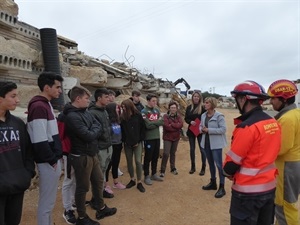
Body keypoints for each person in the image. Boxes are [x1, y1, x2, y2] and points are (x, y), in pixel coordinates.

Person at [223, 80, 281, 225]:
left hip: (246, 193)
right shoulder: (273, 123)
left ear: (243, 99)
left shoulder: (247, 127)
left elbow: (231, 166)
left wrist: (226, 172)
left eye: (237, 99)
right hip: (269, 188)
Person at [64, 86, 117, 225]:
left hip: (91, 153)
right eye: (87, 98)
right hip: (81, 156)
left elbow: (96, 126)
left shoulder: (85, 112)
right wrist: (94, 131)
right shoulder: (72, 116)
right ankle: (82, 217)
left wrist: (93, 130)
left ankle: (100, 207)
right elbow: (88, 135)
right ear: (78, 98)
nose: (89, 101)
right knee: (83, 187)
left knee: (99, 181)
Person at [27, 71, 64, 225]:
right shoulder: (39, 107)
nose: (60, 90)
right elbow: (40, 140)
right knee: (47, 202)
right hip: (48, 161)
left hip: (51, 159)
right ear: (47, 88)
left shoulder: (45, 104)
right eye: (57, 87)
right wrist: (52, 160)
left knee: (49, 201)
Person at [0, 81, 35, 225]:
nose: (18, 100)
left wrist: (27, 173)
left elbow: (28, 151)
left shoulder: (18, 123)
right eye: (13, 96)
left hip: (17, 185)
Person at [267, 79, 300, 225]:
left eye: (273, 98)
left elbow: (281, 147)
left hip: (287, 166)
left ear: (284, 99)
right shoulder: (296, 113)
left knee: (284, 206)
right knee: (289, 203)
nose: (271, 102)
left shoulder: (286, 118)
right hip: (294, 164)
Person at [88, 88, 114, 198]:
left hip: (108, 145)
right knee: (98, 173)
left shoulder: (104, 110)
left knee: (104, 170)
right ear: (99, 98)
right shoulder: (92, 113)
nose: (109, 99)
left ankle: (101, 191)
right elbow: (94, 132)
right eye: (106, 97)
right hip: (100, 148)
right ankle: (96, 197)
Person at [200, 97, 227, 198]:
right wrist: (201, 130)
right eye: (205, 102)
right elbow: (200, 126)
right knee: (211, 164)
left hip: (216, 145)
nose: (204, 104)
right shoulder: (203, 115)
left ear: (212, 104)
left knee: (219, 165)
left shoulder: (219, 116)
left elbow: (223, 129)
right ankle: (213, 183)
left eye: (207, 103)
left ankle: (222, 187)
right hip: (206, 143)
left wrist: (209, 130)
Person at [120, 99, 146, 192]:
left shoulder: (138, 115)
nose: (123, 108)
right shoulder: (123, 117)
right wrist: (125, 141)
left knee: (138, 162)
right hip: (127, 144)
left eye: (124, 107)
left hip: (137, 143)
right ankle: (132, 179)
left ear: (129, 106)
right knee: (129, 162)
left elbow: (143, 129)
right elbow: (122, 132)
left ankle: (139, 182)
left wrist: (139, 141)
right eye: (122, 107)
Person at [141, 94, 164, 185]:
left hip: (157, 137)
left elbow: (162, 121)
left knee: (155, 156)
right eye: (153, 101)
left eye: (156, 101)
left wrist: (154, 122)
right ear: (148, 101)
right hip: (149, 138)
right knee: (148, 157)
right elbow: (148, 125)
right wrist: (157, 122)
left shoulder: (157, 110)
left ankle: (153, 173)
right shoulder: (144, 111)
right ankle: (146, 175)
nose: (155, 102)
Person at [184, 91, 206, 175]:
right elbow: (186, 118)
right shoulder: (189, 107)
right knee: (192, 149)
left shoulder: (203, 108)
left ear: (200, 98)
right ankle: (193, 167)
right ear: (192, 97)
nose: (196, 97)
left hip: (200, 131)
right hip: (191, 131)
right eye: (194, 96)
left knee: (202, 150)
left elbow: (206, 118)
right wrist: (190, 122)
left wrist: (201, 124)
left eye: (197, 96)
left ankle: (203, 168)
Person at [105, 102, 126, 190]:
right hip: (111, 146)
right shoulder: (107, 121)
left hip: (118, 145)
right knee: (108, 166)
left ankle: (116, 182)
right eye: (116, 108)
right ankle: (105, 185)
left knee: (116, 164)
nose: (118, 110)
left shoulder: (118, 120)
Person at [159, 101, 183, 177]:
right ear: (169, 108)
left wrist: (172, 124)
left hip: (176, 138)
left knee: (173, 153)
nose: (173, 109)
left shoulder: (178, 116)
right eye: (172, 108)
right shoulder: (165, 116)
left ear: (176, 109)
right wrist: (176, 126)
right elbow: (166, 126)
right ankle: (162, 170)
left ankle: (173, 168)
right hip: (167, 138)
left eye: (174, 108)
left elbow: (181, 125)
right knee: (166, 153)